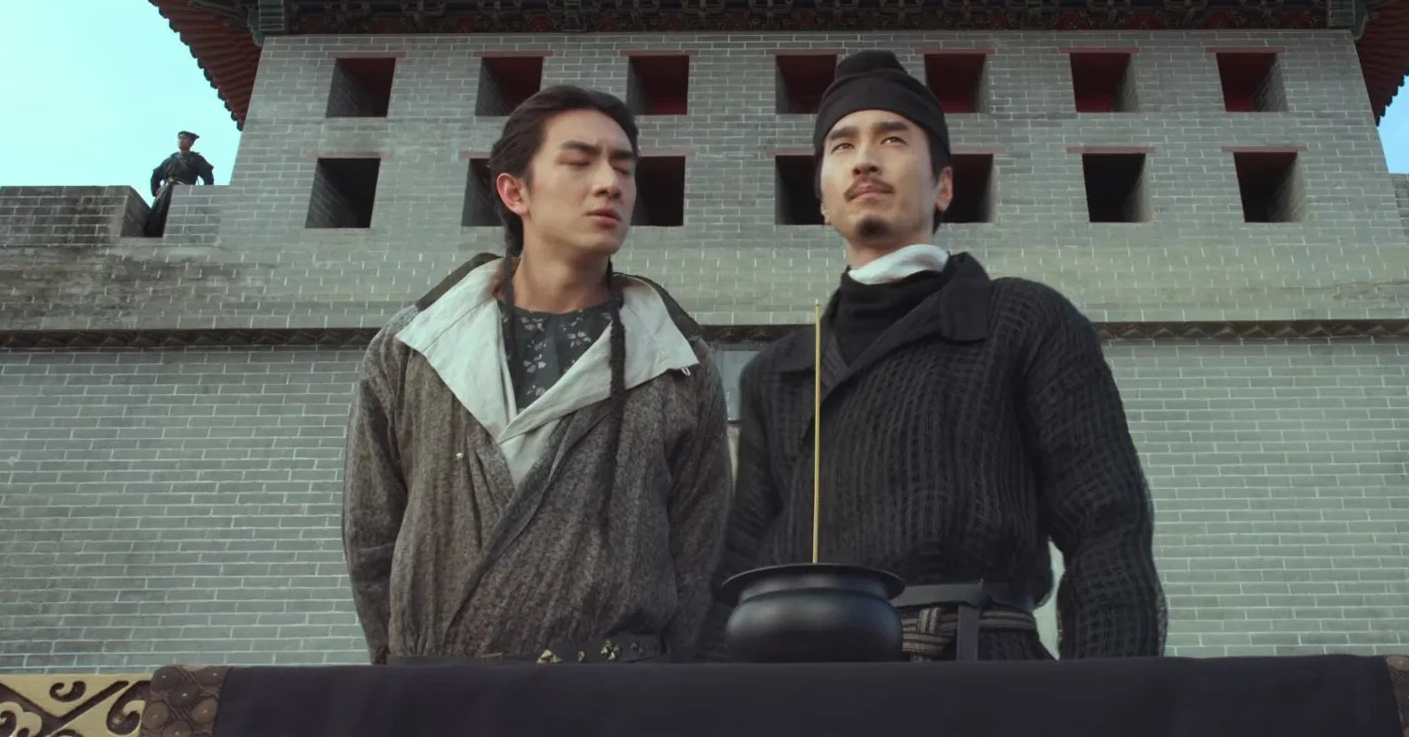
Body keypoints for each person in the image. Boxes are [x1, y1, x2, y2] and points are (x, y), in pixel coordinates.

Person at [704, 51, 1165, 662]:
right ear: (822, 202)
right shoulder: (779, 373)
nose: (865, 159)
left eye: (893, 139)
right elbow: (739, 572)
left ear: (944, 185)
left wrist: (1112, 699)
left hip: (979, 670)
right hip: (802, 686)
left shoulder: (1022, 320)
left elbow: (1108, 526)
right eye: (841, 146)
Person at [341, 85, 732, 666]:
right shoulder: (412, 349)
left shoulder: (678, 363)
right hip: (434, 688)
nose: (610, 183)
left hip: (614, 692)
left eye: (624, 168)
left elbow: (699, 555)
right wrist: (406, 667)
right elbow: (371, 539)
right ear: (514, 191)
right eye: (579, 162)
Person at [146, 130, 216, 238]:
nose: (181, 140)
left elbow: (208, 177)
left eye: (184, 138)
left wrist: (202, 194)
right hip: (166, 192)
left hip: (184, 192)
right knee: (158, 216)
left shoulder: (197, 159)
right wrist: (156, 189)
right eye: (179, 138)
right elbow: (155, 175)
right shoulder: (170, 160)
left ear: (191, 142)